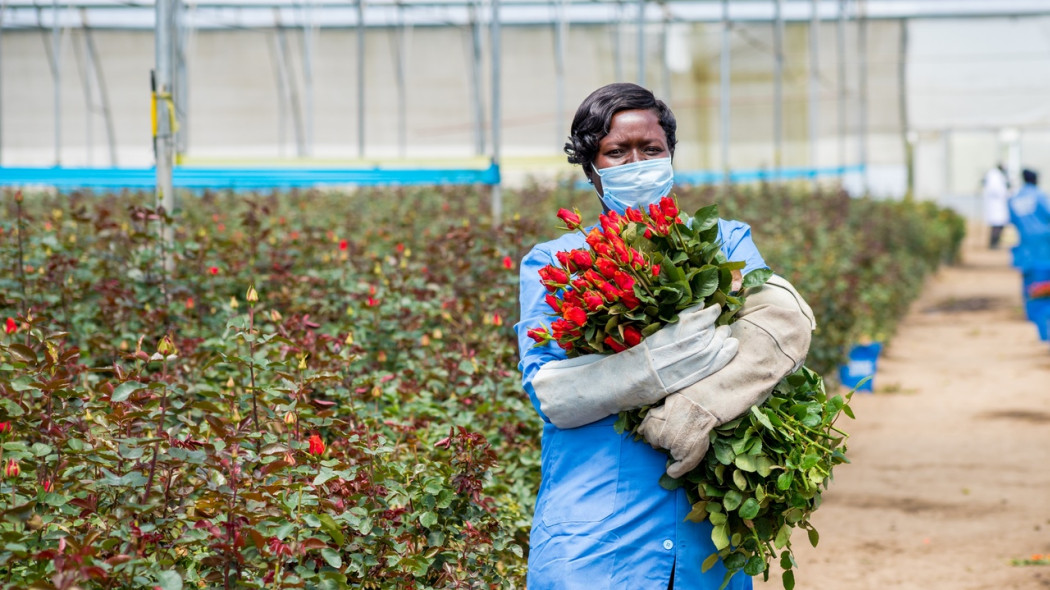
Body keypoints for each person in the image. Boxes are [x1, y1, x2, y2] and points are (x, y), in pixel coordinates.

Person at [514, 82, 816, 589]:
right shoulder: (557, 263)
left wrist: (698, 406)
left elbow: (775, 327)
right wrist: (660, 362)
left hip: (705, 529)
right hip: (596, 531)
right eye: (617, 152)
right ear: (591, 167)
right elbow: (553, 394)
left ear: (670, 154)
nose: (637, 162)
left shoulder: (724, 241)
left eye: (650, 149)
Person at [1008, 168, 1050, 235]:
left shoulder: (1014, 199)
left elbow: (1012, 220)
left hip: (1024, 239)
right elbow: (1048, 213)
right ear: (1035, 180)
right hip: (1043, 238)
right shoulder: (1039, 195)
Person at [983, 163, 1011, 249]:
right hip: (996, 205)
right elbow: (997, 190)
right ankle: (993, 244)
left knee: (999, 225)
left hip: (998, 204)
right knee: (996, 225)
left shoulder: (998, 176)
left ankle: (996, 243)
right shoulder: (994, 176)